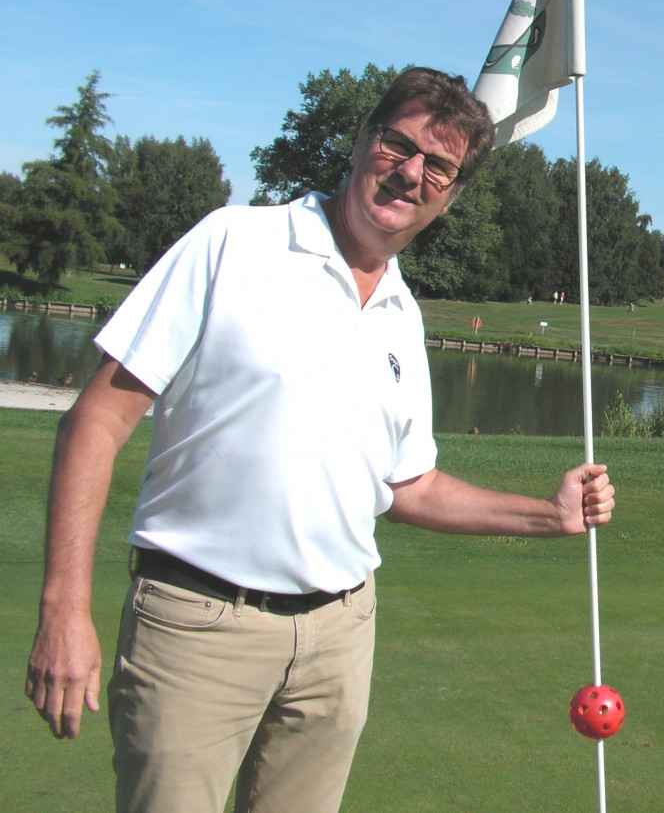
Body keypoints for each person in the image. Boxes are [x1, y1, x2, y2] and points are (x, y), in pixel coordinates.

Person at [24, 67, 614, 813]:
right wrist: (63, 610)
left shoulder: (403, 312)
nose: (409, 173)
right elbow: (96, 422)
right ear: (361, 141)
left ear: (452, 193)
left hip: (340, 637)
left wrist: (548, 514)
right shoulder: (235, 242)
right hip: (199, 626)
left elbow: (408, 487)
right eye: (397, 145)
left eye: (437, 166)